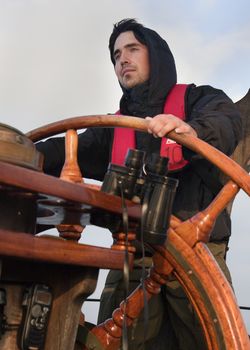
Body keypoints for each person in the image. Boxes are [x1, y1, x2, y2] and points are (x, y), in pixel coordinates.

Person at [36, 19, 242, 350]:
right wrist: (16, 150)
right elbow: (64, 152)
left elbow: (227, 121)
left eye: (133, 49)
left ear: (156, 56)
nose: (122, 60)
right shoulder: (112, 128)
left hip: (196, 254)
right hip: (132, 257)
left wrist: (191, 130)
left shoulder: (199, 99)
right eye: (116, 55)